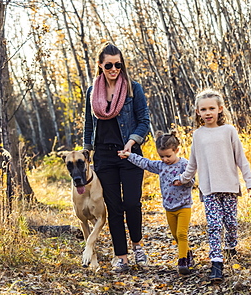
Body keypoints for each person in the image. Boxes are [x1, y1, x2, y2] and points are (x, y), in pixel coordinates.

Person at [173, 88, 251, 283]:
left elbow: (241, 159)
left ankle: (230, 247)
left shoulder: (229, 131)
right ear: (198, 112)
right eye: (203, 109)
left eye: (211, 108)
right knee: (214, 225)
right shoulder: (198, 135)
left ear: (220, 109)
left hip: (229, 186)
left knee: (231, 224)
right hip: (209, 189)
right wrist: (183, 179)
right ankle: (216, 263)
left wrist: (249, 181)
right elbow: (193, 163)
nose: (208, 112)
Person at [83, 42, 150, 272]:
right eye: (109, 65)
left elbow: (144, 122)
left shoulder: (133, 89)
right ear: (100, 65)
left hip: (130, 155)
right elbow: (89, 125)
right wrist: (87, 151)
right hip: (104, 157)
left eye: (118, 64)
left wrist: (131, 143)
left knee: (132, 202)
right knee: (114, 207)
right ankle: (121, 256)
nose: (114, 69)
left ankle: (138, 246)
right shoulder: (93, 92)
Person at [118, 130, 195, 275]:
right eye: (162, 156)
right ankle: (188, 254)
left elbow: (192, 180)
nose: (165, 159)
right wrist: (129, 156)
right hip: (169, 208)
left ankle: (182, 260)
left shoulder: (184, 164)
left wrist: (182, 180)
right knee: (175, 235)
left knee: (182, 234)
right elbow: (145, 163)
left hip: (184, 205)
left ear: (176, 150)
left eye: (168, 156)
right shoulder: (161, 166)